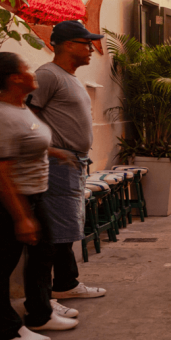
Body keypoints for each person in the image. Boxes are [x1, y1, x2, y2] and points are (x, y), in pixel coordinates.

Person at [0, 52, 79, 340]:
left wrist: (55, 152)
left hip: (32, 193)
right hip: (6, 198)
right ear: (15, 79)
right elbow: (1, 173)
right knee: (2, 262)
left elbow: (26, 139)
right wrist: (21, 217)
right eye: (27, 69)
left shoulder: (19, 105)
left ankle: (40, 313)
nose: (33, 73)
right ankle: (7, 330)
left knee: (44, 251)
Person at [28, 20, 107, 302]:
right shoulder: (48, 74)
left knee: (68, 223)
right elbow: (28, 114)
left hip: (73, 161)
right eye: (87, 44)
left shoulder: (68, 76)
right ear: (69, 45)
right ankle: (59, 286)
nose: (91, 50)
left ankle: (65, 282)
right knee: (60, 225)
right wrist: (50, 148)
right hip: (57, 163)